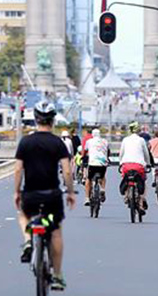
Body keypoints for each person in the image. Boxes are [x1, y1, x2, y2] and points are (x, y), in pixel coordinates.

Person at [14, 101, 75, 291]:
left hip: (31, 195)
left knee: (23, 215)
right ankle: (57, 275)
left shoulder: (25, 142)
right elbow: (66, 172)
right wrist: (71, 192)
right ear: (52, 120)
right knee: (55, 230)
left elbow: (18, 169)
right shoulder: (58, 142)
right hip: (52, 197)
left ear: (35, 119)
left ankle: (27, 241)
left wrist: (17, 192)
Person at [118, 122, 154, 215]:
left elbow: (121, 153)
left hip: (126, 165)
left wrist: (120, 163)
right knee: (143, 181)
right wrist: (148, 163)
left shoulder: (125, 140)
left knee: (125, 177)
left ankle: (126, 196)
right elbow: (146, 153)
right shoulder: (141, 140)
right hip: (139, 165)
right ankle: (141, 203)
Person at [83, 128, 109, 206]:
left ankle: (87, 198)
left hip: (92, 163)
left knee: (88, 179)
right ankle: (102, 189)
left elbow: (85, 151)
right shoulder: (105, 141)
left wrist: (83, 158)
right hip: (102, 163)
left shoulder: (89, 141)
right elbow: (108, 151)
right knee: (103, 176)